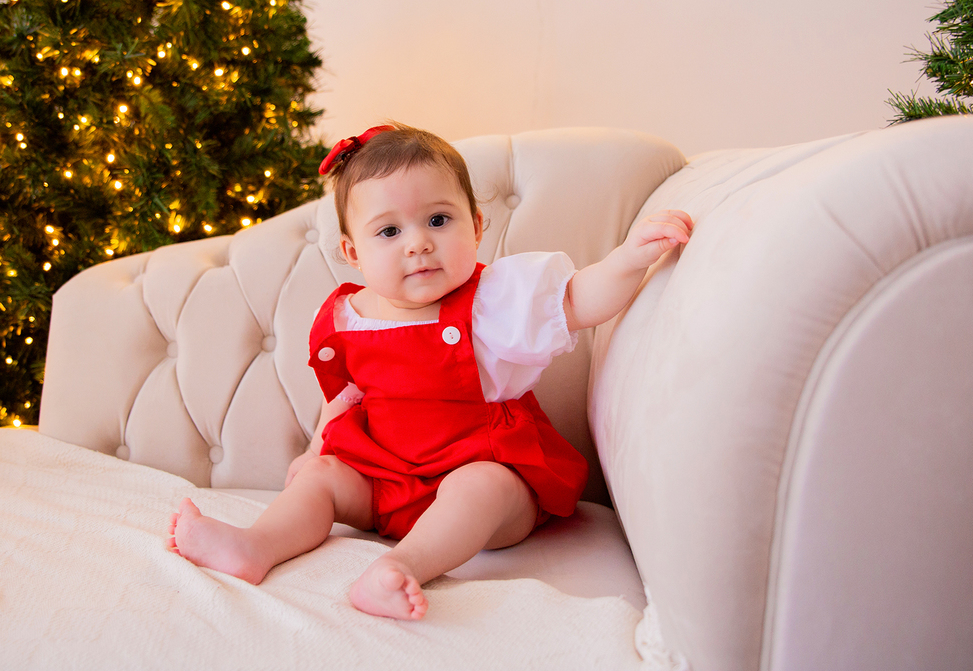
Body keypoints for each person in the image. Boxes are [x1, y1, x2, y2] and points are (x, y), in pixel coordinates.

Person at [169, 124, 693, 620]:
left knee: (483, 485)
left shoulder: (493, 301)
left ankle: (400, 568)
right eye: (389, 230)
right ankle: (254, 546)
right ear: (353, 253)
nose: (417, 243)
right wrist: (312, 453)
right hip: (382, 479)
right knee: (321, 476)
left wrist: (628, 260)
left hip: (481, 469)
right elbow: (344, 396)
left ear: (476, 226)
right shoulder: (347, 316)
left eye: (438, 221)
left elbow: (576, 299)